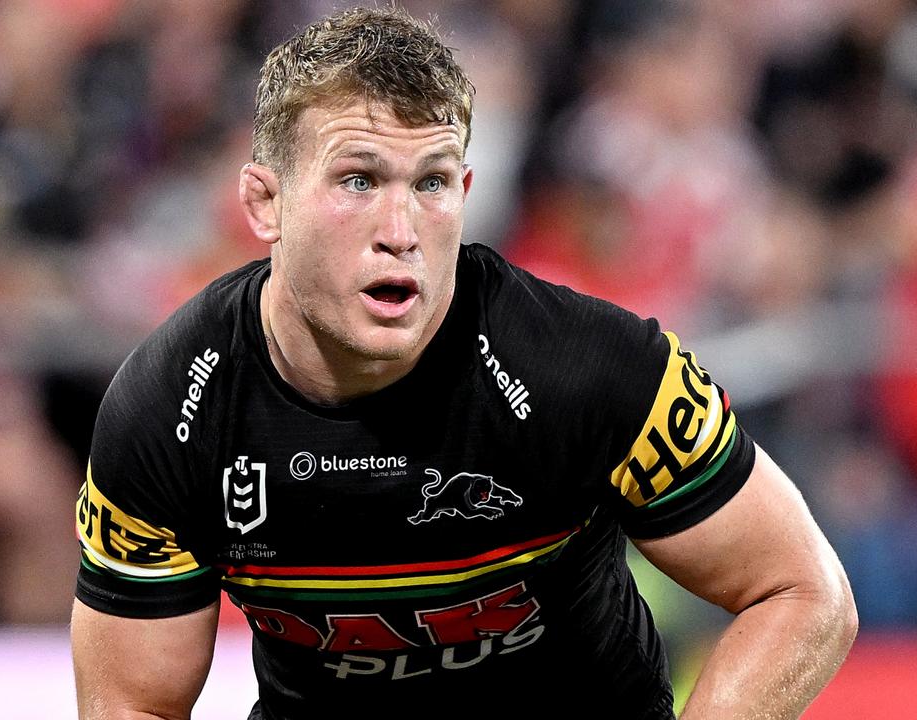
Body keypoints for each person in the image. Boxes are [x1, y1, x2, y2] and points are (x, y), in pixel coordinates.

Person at [69, 6, 858, 720]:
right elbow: (134, 704)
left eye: (433, 182)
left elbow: (803, 591)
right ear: (264, 203)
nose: (401, 228)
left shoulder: (589, 366)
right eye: (358, 179)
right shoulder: (167, 410)